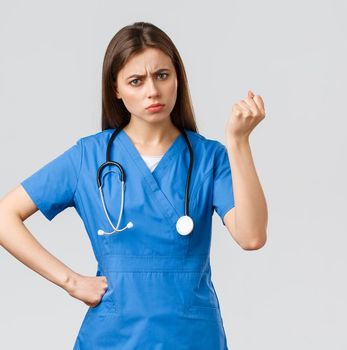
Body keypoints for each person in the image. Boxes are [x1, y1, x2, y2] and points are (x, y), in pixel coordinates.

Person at [0, 21, 268, 349]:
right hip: (113, 336)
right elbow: (4, 215)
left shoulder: (209, 157)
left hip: (192, 335)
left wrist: (239, 141)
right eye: (136, 81)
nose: (152, 91)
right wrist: (71, 282)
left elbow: (251, 236)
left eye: (162, 75)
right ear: (116, 89)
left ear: (177, 79)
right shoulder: (90, 157)